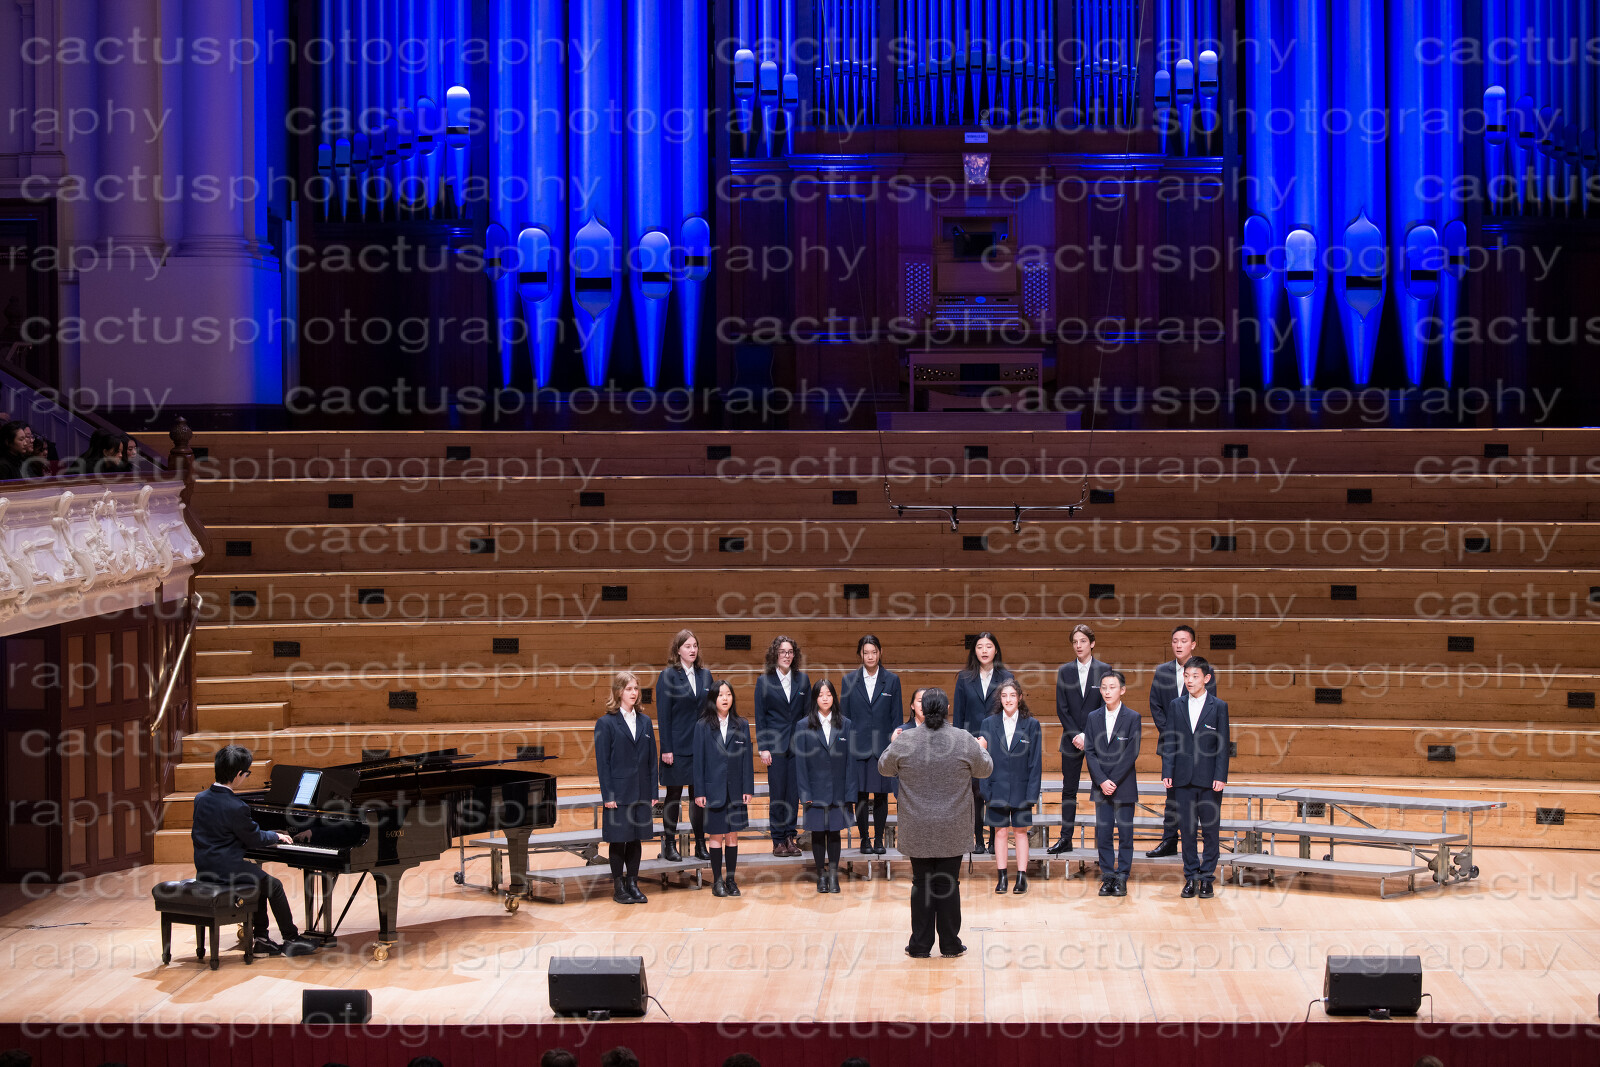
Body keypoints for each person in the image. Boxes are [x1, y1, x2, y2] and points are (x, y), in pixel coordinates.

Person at [878, 688, 992, 959]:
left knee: (921, 883)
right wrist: (981, 749)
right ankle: (950, 945)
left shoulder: (906, 740)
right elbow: (985, 769)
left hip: (917, 826)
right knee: (948, 884)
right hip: (953, 826)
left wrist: (892, 742)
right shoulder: (963, 739)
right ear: (947, 709)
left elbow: (884, 767)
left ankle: (920, 946)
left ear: (922, 709)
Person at [191, 744, 316, 956]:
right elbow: (254, 838)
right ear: (238, 774)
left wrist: (267, 832)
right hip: (227, 870)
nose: (245, 777)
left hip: (205, 867)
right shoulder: (236, 806)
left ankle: (262, 940)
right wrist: (276, 836)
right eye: (246, 773)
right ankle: (291, 938)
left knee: (257, 879)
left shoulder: (200, 798)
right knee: (274, 885)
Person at [1160, 656, 1229, 898]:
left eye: (1195, 676)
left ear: (1206, 678)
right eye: (1187, 676)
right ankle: (1191, 876)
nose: (1190, 680)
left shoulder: (1219, 706)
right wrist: (1167, 770)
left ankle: (1207, 877)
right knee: (1187, 831)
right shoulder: (1176, 705)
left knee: (1210, 831)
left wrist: (1221, 775)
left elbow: (1222, 745)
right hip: (1182, 779)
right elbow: (1170, 740)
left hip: (1210, 779)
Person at [1146, 625, 1216, 857]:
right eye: (1175, 640)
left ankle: (1197, 846)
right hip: (1170, 743)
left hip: (1196, 747)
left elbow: (1210, 706)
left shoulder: (1205, 671)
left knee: (1196, 796)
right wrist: (1171, 733)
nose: (1178, 645)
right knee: (1172, 796)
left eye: (1184, 641)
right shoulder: (1162, 671)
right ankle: (1169, 840)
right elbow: (1155, 705)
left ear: (1193, 644)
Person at [595, 671, 658, 904]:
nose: (634, 693)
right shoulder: (606, 723)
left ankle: (633, 883)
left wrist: (653, 792)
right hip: (619, 793)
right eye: (629, 689)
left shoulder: (645, 721)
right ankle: (618, 886)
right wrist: (608, 795)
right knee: (618, 839)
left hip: (641, 790)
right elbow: (603, 763)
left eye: (636, 689)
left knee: (635, 839)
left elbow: (652, 760)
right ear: (619, 692)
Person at [793, 679, 857, 893]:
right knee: (818, 834)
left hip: (839, 791)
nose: (825, 698)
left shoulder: (846, 724)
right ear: (815, 699)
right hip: (814, 790)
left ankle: (834, 875)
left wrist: (850, 793)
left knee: (835, 833)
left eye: (829, 694)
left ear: (834, 697)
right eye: (821, 695)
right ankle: (821, 875)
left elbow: (851, 762)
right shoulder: (803, 725)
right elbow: (800, 764)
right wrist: (805, 793)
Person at [655, 629, 714, 862]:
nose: (692, 650)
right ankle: (670, 844)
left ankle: (700, 843)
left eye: (695, 646)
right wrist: (666, 748)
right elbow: (664, 715)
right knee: (674, 795)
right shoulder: (668, 676)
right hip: (677, 748)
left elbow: (711, 712)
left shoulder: (705, 675)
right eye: (688, 646)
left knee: (699, 797)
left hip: (700, 746)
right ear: (678, 650)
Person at [978, 680, 1042, 894]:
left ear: (1020, 698)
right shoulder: (988, 723)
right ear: (1000, 699)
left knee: (1021, 832)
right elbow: (983, 759)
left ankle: (1021, 877)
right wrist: (985, 789)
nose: (1008, 700)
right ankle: (1002, 877)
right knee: (1000, 832)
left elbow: (1035, 763)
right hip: (996, 788)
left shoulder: (1031, 724)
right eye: (1004, 696)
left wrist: (1032, 794)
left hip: (1022, 789)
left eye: (1012, 695)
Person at [1049, 623, 1108, 855]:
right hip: (1071, 740)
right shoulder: (1065, 671)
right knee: (1068, 790)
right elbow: (1061, 708)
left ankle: (1102, 842)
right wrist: (1076, 734)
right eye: (1075, 642)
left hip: (1096, 740)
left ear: (1092, 643)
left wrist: (1087, 736)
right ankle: (1066, 838)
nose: (1078, 645)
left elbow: (1105, 705)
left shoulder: (1104, 669)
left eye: (1083, 641)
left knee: (1101, 789)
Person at [841, 633, 902, 855]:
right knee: (860, 795)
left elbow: (896, 717)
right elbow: (844, 718)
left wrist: (894, 747)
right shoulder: (849, 681)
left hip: (883, 748)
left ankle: (878, 840)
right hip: (857, 747)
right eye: (866, 652)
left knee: (881, 796)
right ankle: (864, 839)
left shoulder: (892, 680)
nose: (870, 656)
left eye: (873, 652)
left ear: (880, 653)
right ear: (860, 654)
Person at [952, 632, 1012, 853]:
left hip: (999, 742)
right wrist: (961, 744)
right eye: (979, 646)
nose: (984, 650)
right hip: (972, 743)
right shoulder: (964, 678)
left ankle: (995, 839)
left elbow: (1010, 711)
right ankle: (977, 839)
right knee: (976, 794)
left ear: (996, 650)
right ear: (974, 651)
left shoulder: (1006, 676)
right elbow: (958, 715)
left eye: (988, 646)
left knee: (995, 792)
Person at [693, 680, 755, 897]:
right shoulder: (702, 726)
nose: (725, 698)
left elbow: (747, 759)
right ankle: (717, 880)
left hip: (736, 790)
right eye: (720, 695)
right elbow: (698, 762)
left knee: (732, 836)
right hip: (713, 790)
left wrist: (748, 788)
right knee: (716, 836)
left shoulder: (742, 724)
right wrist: (700, 792)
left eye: (728, 694)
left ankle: (731, 880)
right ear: (713, 699)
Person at [1085, 670, 1141, 896]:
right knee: (1104, 833)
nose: (1107, 692)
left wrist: (1113, 780)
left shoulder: (1133, 717)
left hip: (1123, 784)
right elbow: (1090, 752)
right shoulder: (1093, 717)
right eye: (1104, 688)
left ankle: (1122, 876)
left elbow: (1131, 752)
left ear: (1122, 690)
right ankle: (1107, 876)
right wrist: (1101, 780)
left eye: (1112, 687)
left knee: (1125, 834)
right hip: (1101, 786)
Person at [754, 634, 810, 857]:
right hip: (775, 746)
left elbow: (807, 716)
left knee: (793, 795)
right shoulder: (764, 681)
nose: (786, 656)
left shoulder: (803, 680)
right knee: (778, 794)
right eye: (782, 652)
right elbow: (761, 716)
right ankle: (777, 840)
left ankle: (790, 837)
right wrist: (763, 747)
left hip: (797, 746)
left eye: (790, 652)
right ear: (775, 655)